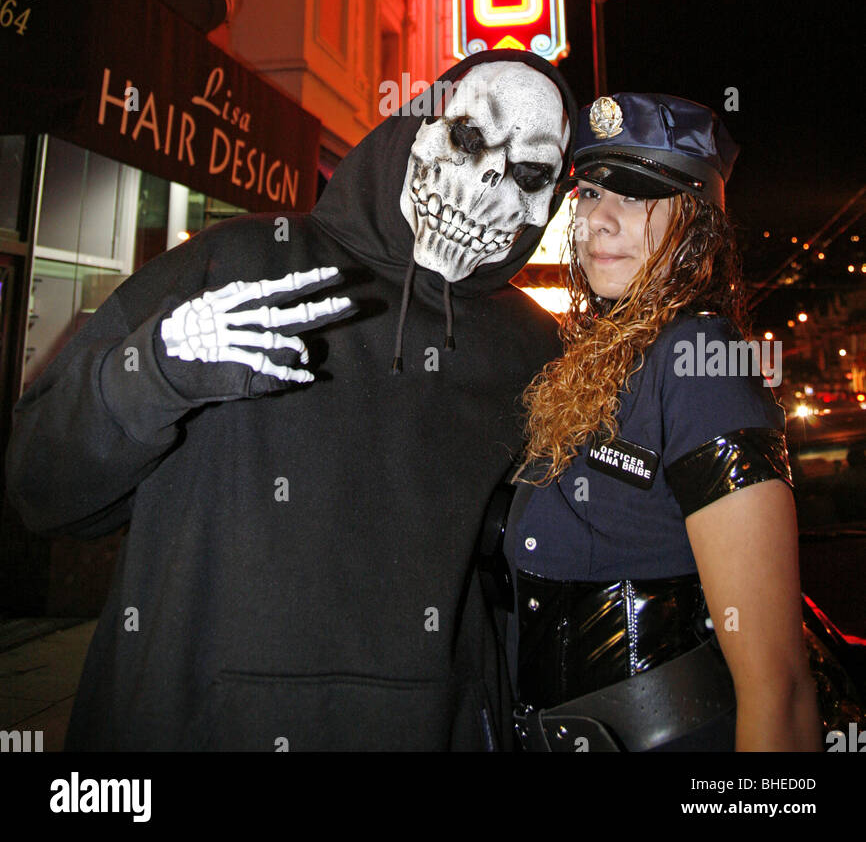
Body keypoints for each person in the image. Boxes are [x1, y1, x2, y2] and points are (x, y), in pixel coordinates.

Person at [5, 49, 577, 752]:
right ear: (416, 128)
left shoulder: (537, 350)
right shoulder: (237, 263)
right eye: (466, 137)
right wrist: (154, 369)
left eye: (529, 175)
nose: (490, 182)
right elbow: (41, 487)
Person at [483, 92, 822, 752]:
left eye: (637, 197)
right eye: (588, 194)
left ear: (696, 227)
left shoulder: (703, 364)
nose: (600, 222)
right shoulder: (588, 362)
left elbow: (777, 686)